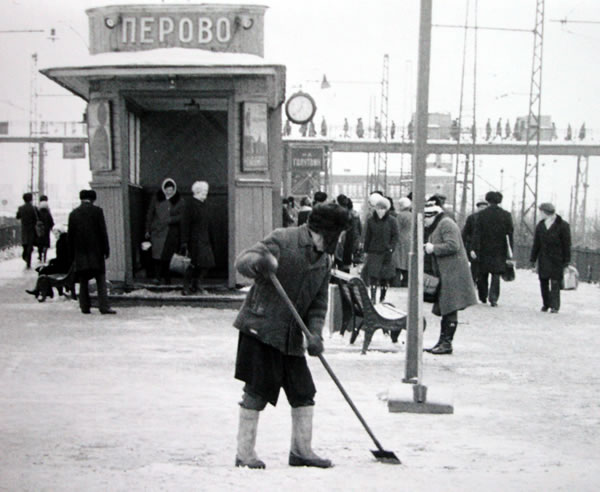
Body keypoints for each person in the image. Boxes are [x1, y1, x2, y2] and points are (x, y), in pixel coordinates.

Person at [233, 202, 350, 469]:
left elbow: (319, 303)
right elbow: (243, 261)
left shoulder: (324, 259)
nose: (340, 239)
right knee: (256, 392)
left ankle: (301, 451)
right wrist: (260, 262)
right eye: (339, 233)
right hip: (261, 329)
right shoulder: (284, 239)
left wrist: (315, 334)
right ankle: (244, 454)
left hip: (291, 336)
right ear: (326, 231)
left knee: (303, 392)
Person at [423, 198, 477, 355]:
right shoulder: (441, 224)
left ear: (431, 216)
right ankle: (443, 342)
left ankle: (446, 343)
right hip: (447, 272)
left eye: (425, 220)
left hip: (453, 273)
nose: (424, 224)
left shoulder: (446, 224)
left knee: (450, 307)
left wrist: (433, 248)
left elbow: (453, 245)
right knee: (447, 308)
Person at [68, 189, 116, 315]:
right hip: (96, 252)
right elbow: (102, 232)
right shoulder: (97, 212)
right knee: (100, 279)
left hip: (80, 253)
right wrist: (106, 249)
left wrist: (72, 254)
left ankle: (84, 306)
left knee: (83, 280)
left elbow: (70, 237)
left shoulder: (73, 214)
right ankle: (104, 307)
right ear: (93, 199)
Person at [472, 191, 513, 306]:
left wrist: (474, 248)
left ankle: (483, 296)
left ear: (487, 200)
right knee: (496, 274)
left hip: (484, 248)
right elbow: (510, 234)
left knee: (482, 273)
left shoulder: (481, 215)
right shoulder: (506, 215)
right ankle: (493, 298)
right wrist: (510, 250)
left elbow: (477, 233)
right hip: (500, 249)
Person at [530, 202, 571, 314]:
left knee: (555, 282)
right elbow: (536, 243)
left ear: (545, 212)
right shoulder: (541, 225)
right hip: (543, 258)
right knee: (543, 281)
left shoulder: (563, 225)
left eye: (541, 212)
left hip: (557, 259)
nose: (540, 214)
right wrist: (533, 259)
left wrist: (566, 261)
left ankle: (555, 306)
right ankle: (546, 304)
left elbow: (566, 244)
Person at [145, 178, 185, 284]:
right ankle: (157, 277)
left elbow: (182, 216)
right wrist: (148, 229)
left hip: (171, 232)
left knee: (168, 256)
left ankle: (167, 279)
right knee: (157, 255)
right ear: (163, 189)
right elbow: (150, 214)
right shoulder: (156, 198)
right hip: (157, 231)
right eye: (167, 189)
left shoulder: (179, 201)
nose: (169, 192)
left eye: (171, 190)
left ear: (174, 189)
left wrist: (171, 220)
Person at [181, 181, 215, 295]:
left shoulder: (205, 205)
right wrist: (184, 241)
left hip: (204, 238)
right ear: (198, 191)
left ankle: (197, 284)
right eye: (204, 191)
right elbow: (185, 224)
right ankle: (186, 287)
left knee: (206, 263)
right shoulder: (190, 205)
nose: (206, 193)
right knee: (192, 264)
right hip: (193, 239)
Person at [363, 195, 398, 303]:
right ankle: (373, 297)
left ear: (387, 209)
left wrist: (391, 248)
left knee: (385, 277)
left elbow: (395, 235)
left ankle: (382, 297)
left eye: (383, 209)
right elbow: (367, 236)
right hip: (374, 251)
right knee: (373, 276)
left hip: (386, 252)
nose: (380, 211)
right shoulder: (370, 221)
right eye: (378, 208)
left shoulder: (392, 221)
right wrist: (365, 250)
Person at [26, 225, 73, 300]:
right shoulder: (66, 240)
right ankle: (43, 291)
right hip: (67, 267)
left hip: (63, 268)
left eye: (56, 233)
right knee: (43, 269)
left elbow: (62, 259)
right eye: (54, 233)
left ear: (60, 232)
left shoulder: (61, 242)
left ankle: (44, 291)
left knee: (42, 271)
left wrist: (52, 261)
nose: (55, 235)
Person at [462, 199, 489, 283]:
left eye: (484, 207)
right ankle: (473, 281)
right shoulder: (472, 218)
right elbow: (465, 232)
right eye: (481, 207)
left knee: (483, 266)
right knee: (474, 265)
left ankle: (480, 281)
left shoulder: (489, 219)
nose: (483, 209)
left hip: (485, 246)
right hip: (472, 245)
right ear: (477, 208)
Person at [394, 197, 412, 287]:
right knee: (407, 262)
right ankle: (406, 282)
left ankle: (396, 282)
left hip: (400, 240)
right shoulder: (412, 215)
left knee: (398, 262)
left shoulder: (400, 215)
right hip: (409, 240)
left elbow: (396, 229)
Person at [16, 192, 37, 269]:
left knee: (25, 244)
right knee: (30, 245)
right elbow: (36, 219)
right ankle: (28, 261)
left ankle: (25, 256)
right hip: (31, 229)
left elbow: (18, 216)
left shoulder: (21, 208)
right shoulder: (33, 208)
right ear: (31, 199)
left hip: (24, 228)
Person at [35, 195, 55, 264]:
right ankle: (45, 256)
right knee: (46, 243)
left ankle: (40, 255)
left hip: (40, 230)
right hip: (46, 230)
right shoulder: (47, 212)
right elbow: (51, 221)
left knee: (40, 243)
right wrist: (51, 227)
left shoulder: (37, 211)